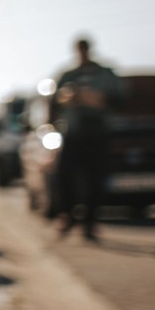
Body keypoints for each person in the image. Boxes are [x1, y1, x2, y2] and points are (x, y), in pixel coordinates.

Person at [51, 36, 123, 239]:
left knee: (95, 178)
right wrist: (67, 98)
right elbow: (54, 100)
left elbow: (121, 98)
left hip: (98, 132)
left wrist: (99, 99)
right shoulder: (68, 75)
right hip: (73, 133)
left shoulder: (106, 74)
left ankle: (90, 223)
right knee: (65, 176)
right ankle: (67, 215)